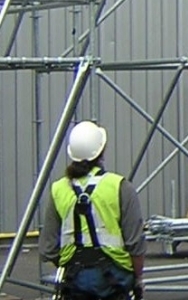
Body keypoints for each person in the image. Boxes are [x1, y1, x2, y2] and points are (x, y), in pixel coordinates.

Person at [39, 121, 146, 300]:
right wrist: (138, 279)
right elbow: (135, 244)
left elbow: (48, 248)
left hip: (74, 280)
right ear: (101, 151)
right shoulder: (120, 186)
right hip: (115, 282)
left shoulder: (58, 189)